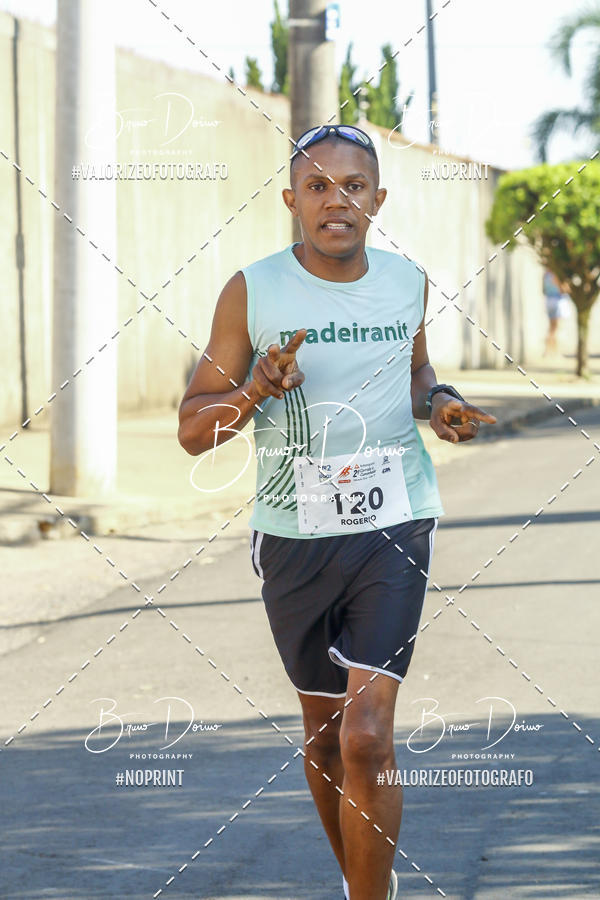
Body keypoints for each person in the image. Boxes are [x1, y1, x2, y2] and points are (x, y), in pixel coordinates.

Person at [178, 124, 497, 900]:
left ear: (377, 200)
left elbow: (417, 374)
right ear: (293, 201)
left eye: (353, 186)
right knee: (325, 740)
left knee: (366, 734)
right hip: (294, 536)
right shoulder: (251, 291)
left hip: (396, 524)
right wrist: (255, 387)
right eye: (318, 186)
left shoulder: (404, 282)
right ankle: (368, 886)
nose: (336, 200)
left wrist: (442, 404)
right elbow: (193, 431)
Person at [542, 269, 571, 357]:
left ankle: (549, 351)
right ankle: (553, 351)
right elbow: (562, 288)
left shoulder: (545, 274)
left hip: (548, 300)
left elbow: (543, 290)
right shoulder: (555, 274)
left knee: (551, 328)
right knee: (555, 329)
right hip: (557, 301)